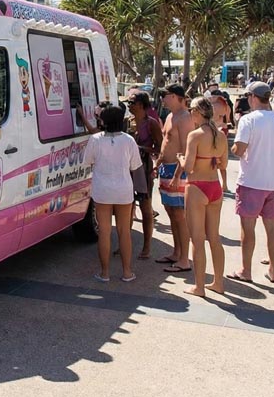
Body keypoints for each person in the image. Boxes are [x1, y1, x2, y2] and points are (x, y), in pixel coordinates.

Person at [230, 81, 274, 284]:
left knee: (248, 228)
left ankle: (246, 270)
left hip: (251, 181)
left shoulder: (249, 120)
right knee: (272, 227)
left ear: (252, 97)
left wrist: (233, 149)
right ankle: (273, 270)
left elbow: (239, 149)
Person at [173, 97, 228, 296]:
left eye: (191, 111)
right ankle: (218, 283)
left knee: (197, 239)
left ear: (197, 112)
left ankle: (200, 286)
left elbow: (188, 168)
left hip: (197, 187)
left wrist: (180, 158)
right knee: (214, 238)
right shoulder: (220, 135)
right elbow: (223, 164)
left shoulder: (194, 135)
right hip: (215, 186)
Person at [82, 104, 142, 283]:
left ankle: (105, 273)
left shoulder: (95, 139)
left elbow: (87, 161)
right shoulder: (129, 140)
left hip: (102, 190)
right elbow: (134, 166)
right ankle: (127, 272)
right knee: (124, 232)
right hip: (124, 190)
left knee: (105, 232)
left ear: (104, 121)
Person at [154, 84, 194, 272]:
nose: (163, 98)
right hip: (166, 170)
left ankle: (184, 258)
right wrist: (158, 163)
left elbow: (186, 149)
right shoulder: (170, 116)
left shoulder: (185, 118)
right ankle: (176, 252)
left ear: (176, 96)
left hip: (178, 172)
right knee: (171, 213)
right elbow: (166, 142)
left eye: (166, 95)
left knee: (179, 215)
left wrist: (178, 174)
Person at [127, 92, 161, 260]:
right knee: (127, 207)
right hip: (127, 170)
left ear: (140, 104)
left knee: (145, 208)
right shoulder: (128, 122)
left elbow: (159, 148)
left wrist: (141, 148)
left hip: (144, 169)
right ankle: (125, 244)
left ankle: (147, 246)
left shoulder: (151, 123)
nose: (129, 105)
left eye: (131, 102)